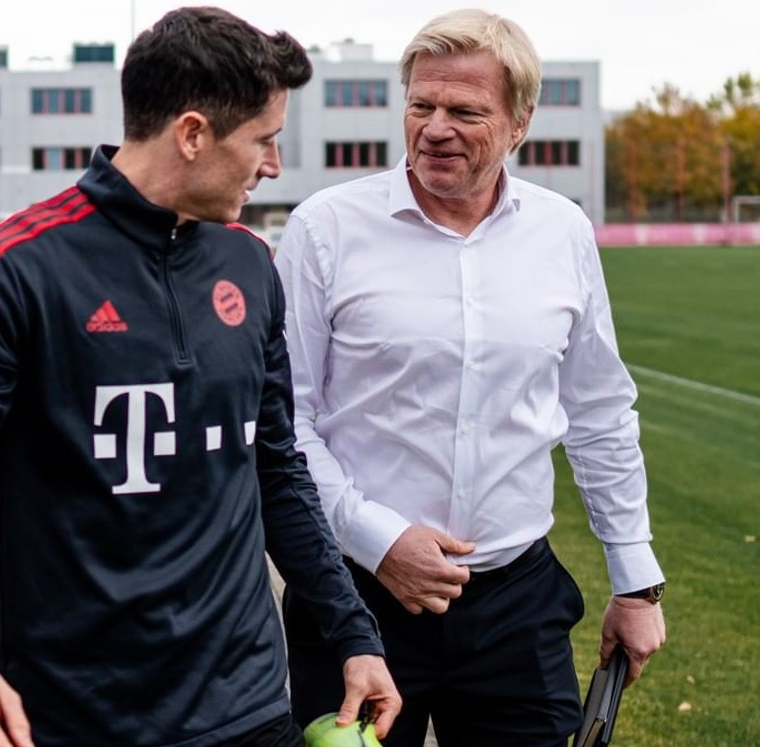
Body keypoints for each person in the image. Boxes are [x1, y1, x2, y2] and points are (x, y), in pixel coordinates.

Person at [0, 8, 400, 747]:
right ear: (192, 134)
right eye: (264, 139)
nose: (273, 165)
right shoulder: (13, 269)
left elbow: (276, 466)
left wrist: (354, 632)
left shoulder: (251, 263)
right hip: (74, 717)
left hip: (248, 707)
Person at [275, 9, 667, 746]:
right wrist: (380, 539)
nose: (434, 127)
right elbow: (283, 423)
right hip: (355, 601)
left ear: (519, 122)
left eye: (465, 111)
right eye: (421, 105)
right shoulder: (325, 229)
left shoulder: (562, 232)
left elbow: (599, 410)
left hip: (516, 606)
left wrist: (635, 580)